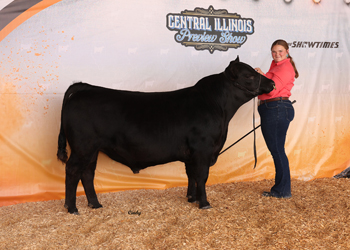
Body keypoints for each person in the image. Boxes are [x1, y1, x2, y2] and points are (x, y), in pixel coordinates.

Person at [254, 39, 299, 199]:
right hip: (274, 108)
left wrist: (261, 77)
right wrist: (262, 76)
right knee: (277, 151)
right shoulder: (276, 65)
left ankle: (282, 191)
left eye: (280, 51)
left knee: (278, 151)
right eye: (274, 51)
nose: (277, 54)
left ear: (287, 51)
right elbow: (270, 84)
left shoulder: (285, 67)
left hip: (276, 108)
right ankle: (282, 189)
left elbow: (272, 90)